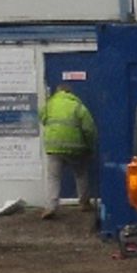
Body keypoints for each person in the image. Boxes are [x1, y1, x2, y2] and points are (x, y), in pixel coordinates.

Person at [40, 83, 98, 218]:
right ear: (70, 93)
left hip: (53, 146)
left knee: (53, 177)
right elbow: (89, 129)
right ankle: (84, 203)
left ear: (57, 92)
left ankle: (51, 207)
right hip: (75, 147)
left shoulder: (50, 105)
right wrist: (90, 146)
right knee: (80, 174)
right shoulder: (78, 106)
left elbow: (42, 118)